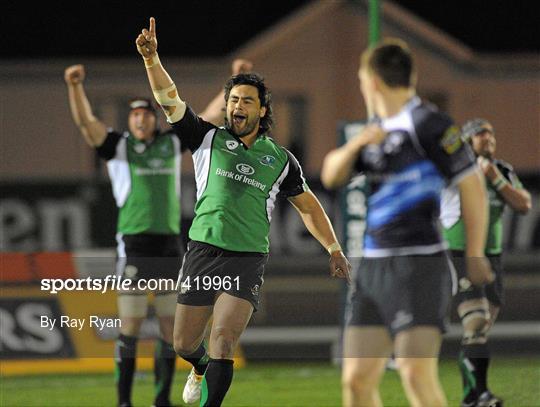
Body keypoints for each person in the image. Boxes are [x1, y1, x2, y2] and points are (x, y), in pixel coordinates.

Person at [135, 17, 351, 406]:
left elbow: (308, 206)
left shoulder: (281, 160)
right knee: (184, 343)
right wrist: (152, 58)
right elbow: (169, 98)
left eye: (245, 100)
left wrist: (333, 248)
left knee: (223, 340)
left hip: (247, 256)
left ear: (262, 109)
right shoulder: (205, 138)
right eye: (233, 100)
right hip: (202, 252)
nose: (236, 106)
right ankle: (197, 367)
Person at [64, 58, 252, 407]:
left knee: (170, 329)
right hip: (134, 244)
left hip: (167, 245)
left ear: (153, 118)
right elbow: (86, 123)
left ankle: (161, 400)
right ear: (130, 120)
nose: (141, 118)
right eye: (135, 114)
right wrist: (75, 87)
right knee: (131, 326)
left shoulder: (169, 144)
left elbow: (208, 114)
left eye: (146, 113)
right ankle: (123, 401)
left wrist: (232, 78)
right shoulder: (118, 146)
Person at [321, 38, 494, 407]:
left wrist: (475, 254)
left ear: (372, 81)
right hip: (374, 268)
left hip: (421, 266)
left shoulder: (429, 123)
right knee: (356, 381)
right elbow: (331, 175)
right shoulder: (375, 131)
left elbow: (472, 186)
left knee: (416, 374)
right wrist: (356, 145)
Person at [441, 118, 531, 407]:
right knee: (476, 320)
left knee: (478, 332)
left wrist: (495, 178)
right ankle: (479, 395)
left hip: (492, 257)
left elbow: (523, 204)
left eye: (491, 133)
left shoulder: (501, 170)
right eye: (481, 134)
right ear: (468, 141)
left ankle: (473, 396)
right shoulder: (457, 169)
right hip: (461, 253)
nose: (488, 138)